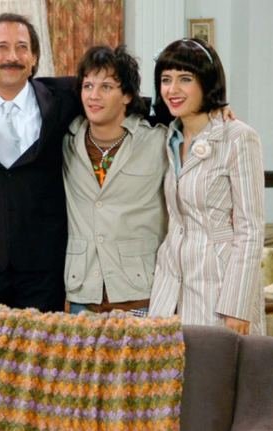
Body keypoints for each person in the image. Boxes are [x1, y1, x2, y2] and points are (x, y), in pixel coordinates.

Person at [0, 13, 80, 312]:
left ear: (34, 58)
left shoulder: (64, 97)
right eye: (2, 47)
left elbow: (117, 93)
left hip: (44, 266)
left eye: (22, 47)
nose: (12, 57)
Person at [149, 38, 266, 335]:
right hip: (170, 290)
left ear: (207, 82)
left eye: (185, 79)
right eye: (166, 79)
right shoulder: (169, 135)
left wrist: (237, 306)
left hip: (220, 290)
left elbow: (251, 230)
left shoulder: (238, 137)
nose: (172, 89)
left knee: (216, 366)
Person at [62, 45, 168, 316]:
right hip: (83, 295)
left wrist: (219, 112)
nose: (93, 96)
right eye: (87, 86)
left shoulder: (157, 141)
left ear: (128, 95)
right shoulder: (66, 141)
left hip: (140, 294)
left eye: (106, 87)